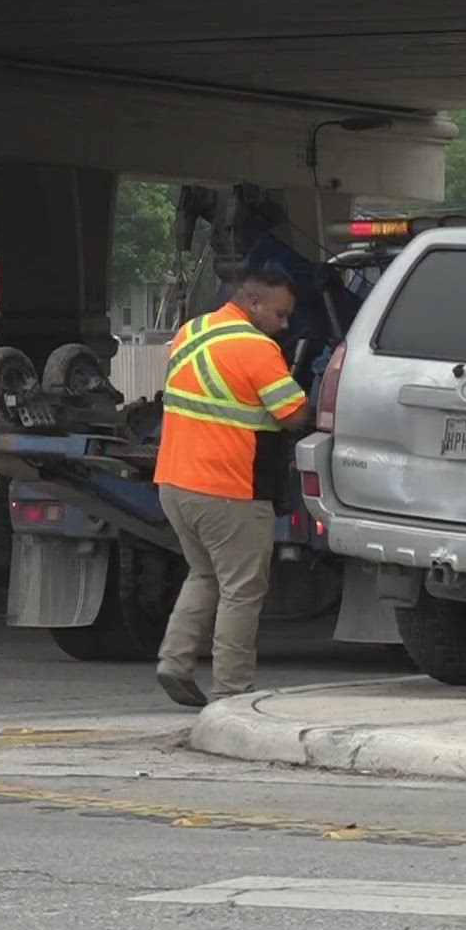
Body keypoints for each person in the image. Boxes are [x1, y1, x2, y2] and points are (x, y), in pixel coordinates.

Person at [151, 268, 310, 708]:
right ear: (254, 303)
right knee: (242, 590)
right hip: (229, 488)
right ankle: (233, 692)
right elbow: (292, 414)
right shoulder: (257, 347)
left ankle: (174, 661)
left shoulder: (193, 331)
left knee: (204, 576)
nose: (284, 324)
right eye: (280, 314)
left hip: (175, 482)